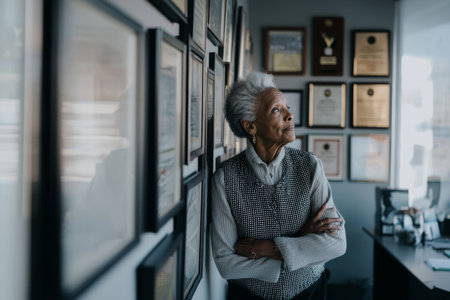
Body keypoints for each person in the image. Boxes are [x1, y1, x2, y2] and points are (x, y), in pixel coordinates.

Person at [211, 72, 347, 300]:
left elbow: (336, 244)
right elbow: (226, 264)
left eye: (287, 108)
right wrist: (301, 243)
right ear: (250, 126)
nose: (290, 116)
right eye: (276, 110)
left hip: (310, 292)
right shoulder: (226, 179)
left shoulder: (310, 166)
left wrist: (269, 249)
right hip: (248, 296)